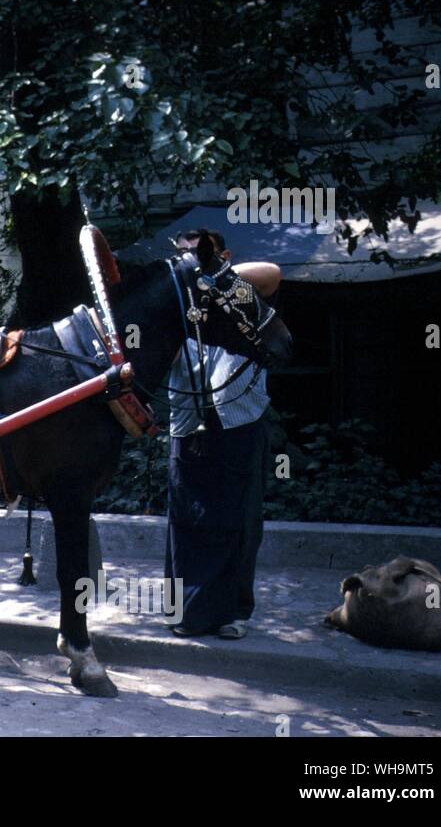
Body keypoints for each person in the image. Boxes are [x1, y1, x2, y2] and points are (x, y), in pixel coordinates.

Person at [165, 228, 279, 640]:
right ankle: (187, 614)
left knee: (240, 517)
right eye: (185, 256)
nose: (191, 262)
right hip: (187, 423)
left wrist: (215, 274)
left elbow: (272, 272)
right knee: (186, 517)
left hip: (241, 421)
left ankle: (235, 613)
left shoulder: (243, 298)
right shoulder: (176, 304)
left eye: (200, 254)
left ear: (221, 256)